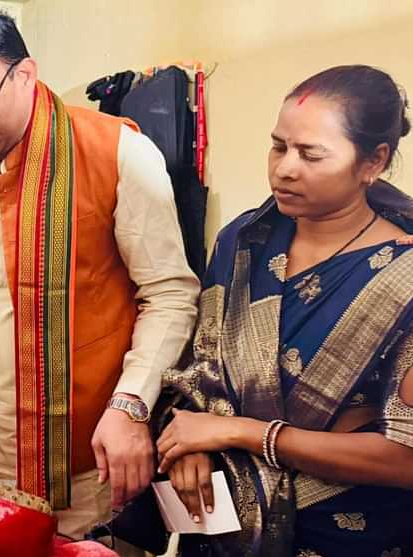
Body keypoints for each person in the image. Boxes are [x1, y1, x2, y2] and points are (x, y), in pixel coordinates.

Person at [0, 8, 199, 540]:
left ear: (25, 75)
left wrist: (131, 406)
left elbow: (170, 295)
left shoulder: (117, 152)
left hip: (87, 452)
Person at [155, 65, 413, 556]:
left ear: (372, 162)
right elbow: (206, 369)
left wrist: (242, 432)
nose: (284, 168)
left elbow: (405, 458)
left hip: (345, 535)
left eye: (311, 154)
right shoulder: (244, 241)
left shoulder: (405, 278)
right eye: (279, 146)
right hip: (221, 522)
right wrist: (194, 441)